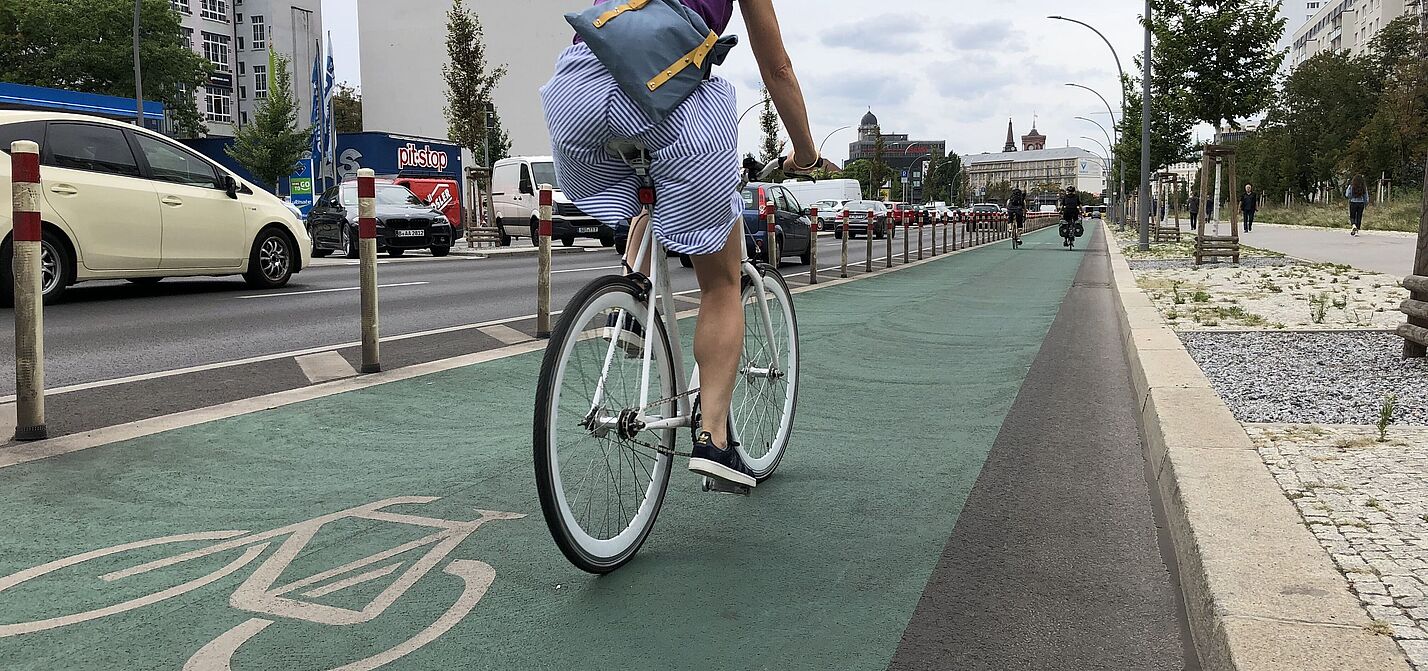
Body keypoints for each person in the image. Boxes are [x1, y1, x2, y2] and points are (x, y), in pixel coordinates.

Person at [542, 0, 829, 489]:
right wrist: (805, 152)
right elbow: (777, 68)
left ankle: (632, 310)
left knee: (644, 193)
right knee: (720, 283)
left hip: (574, 96)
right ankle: (714, 439)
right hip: (667, 103)